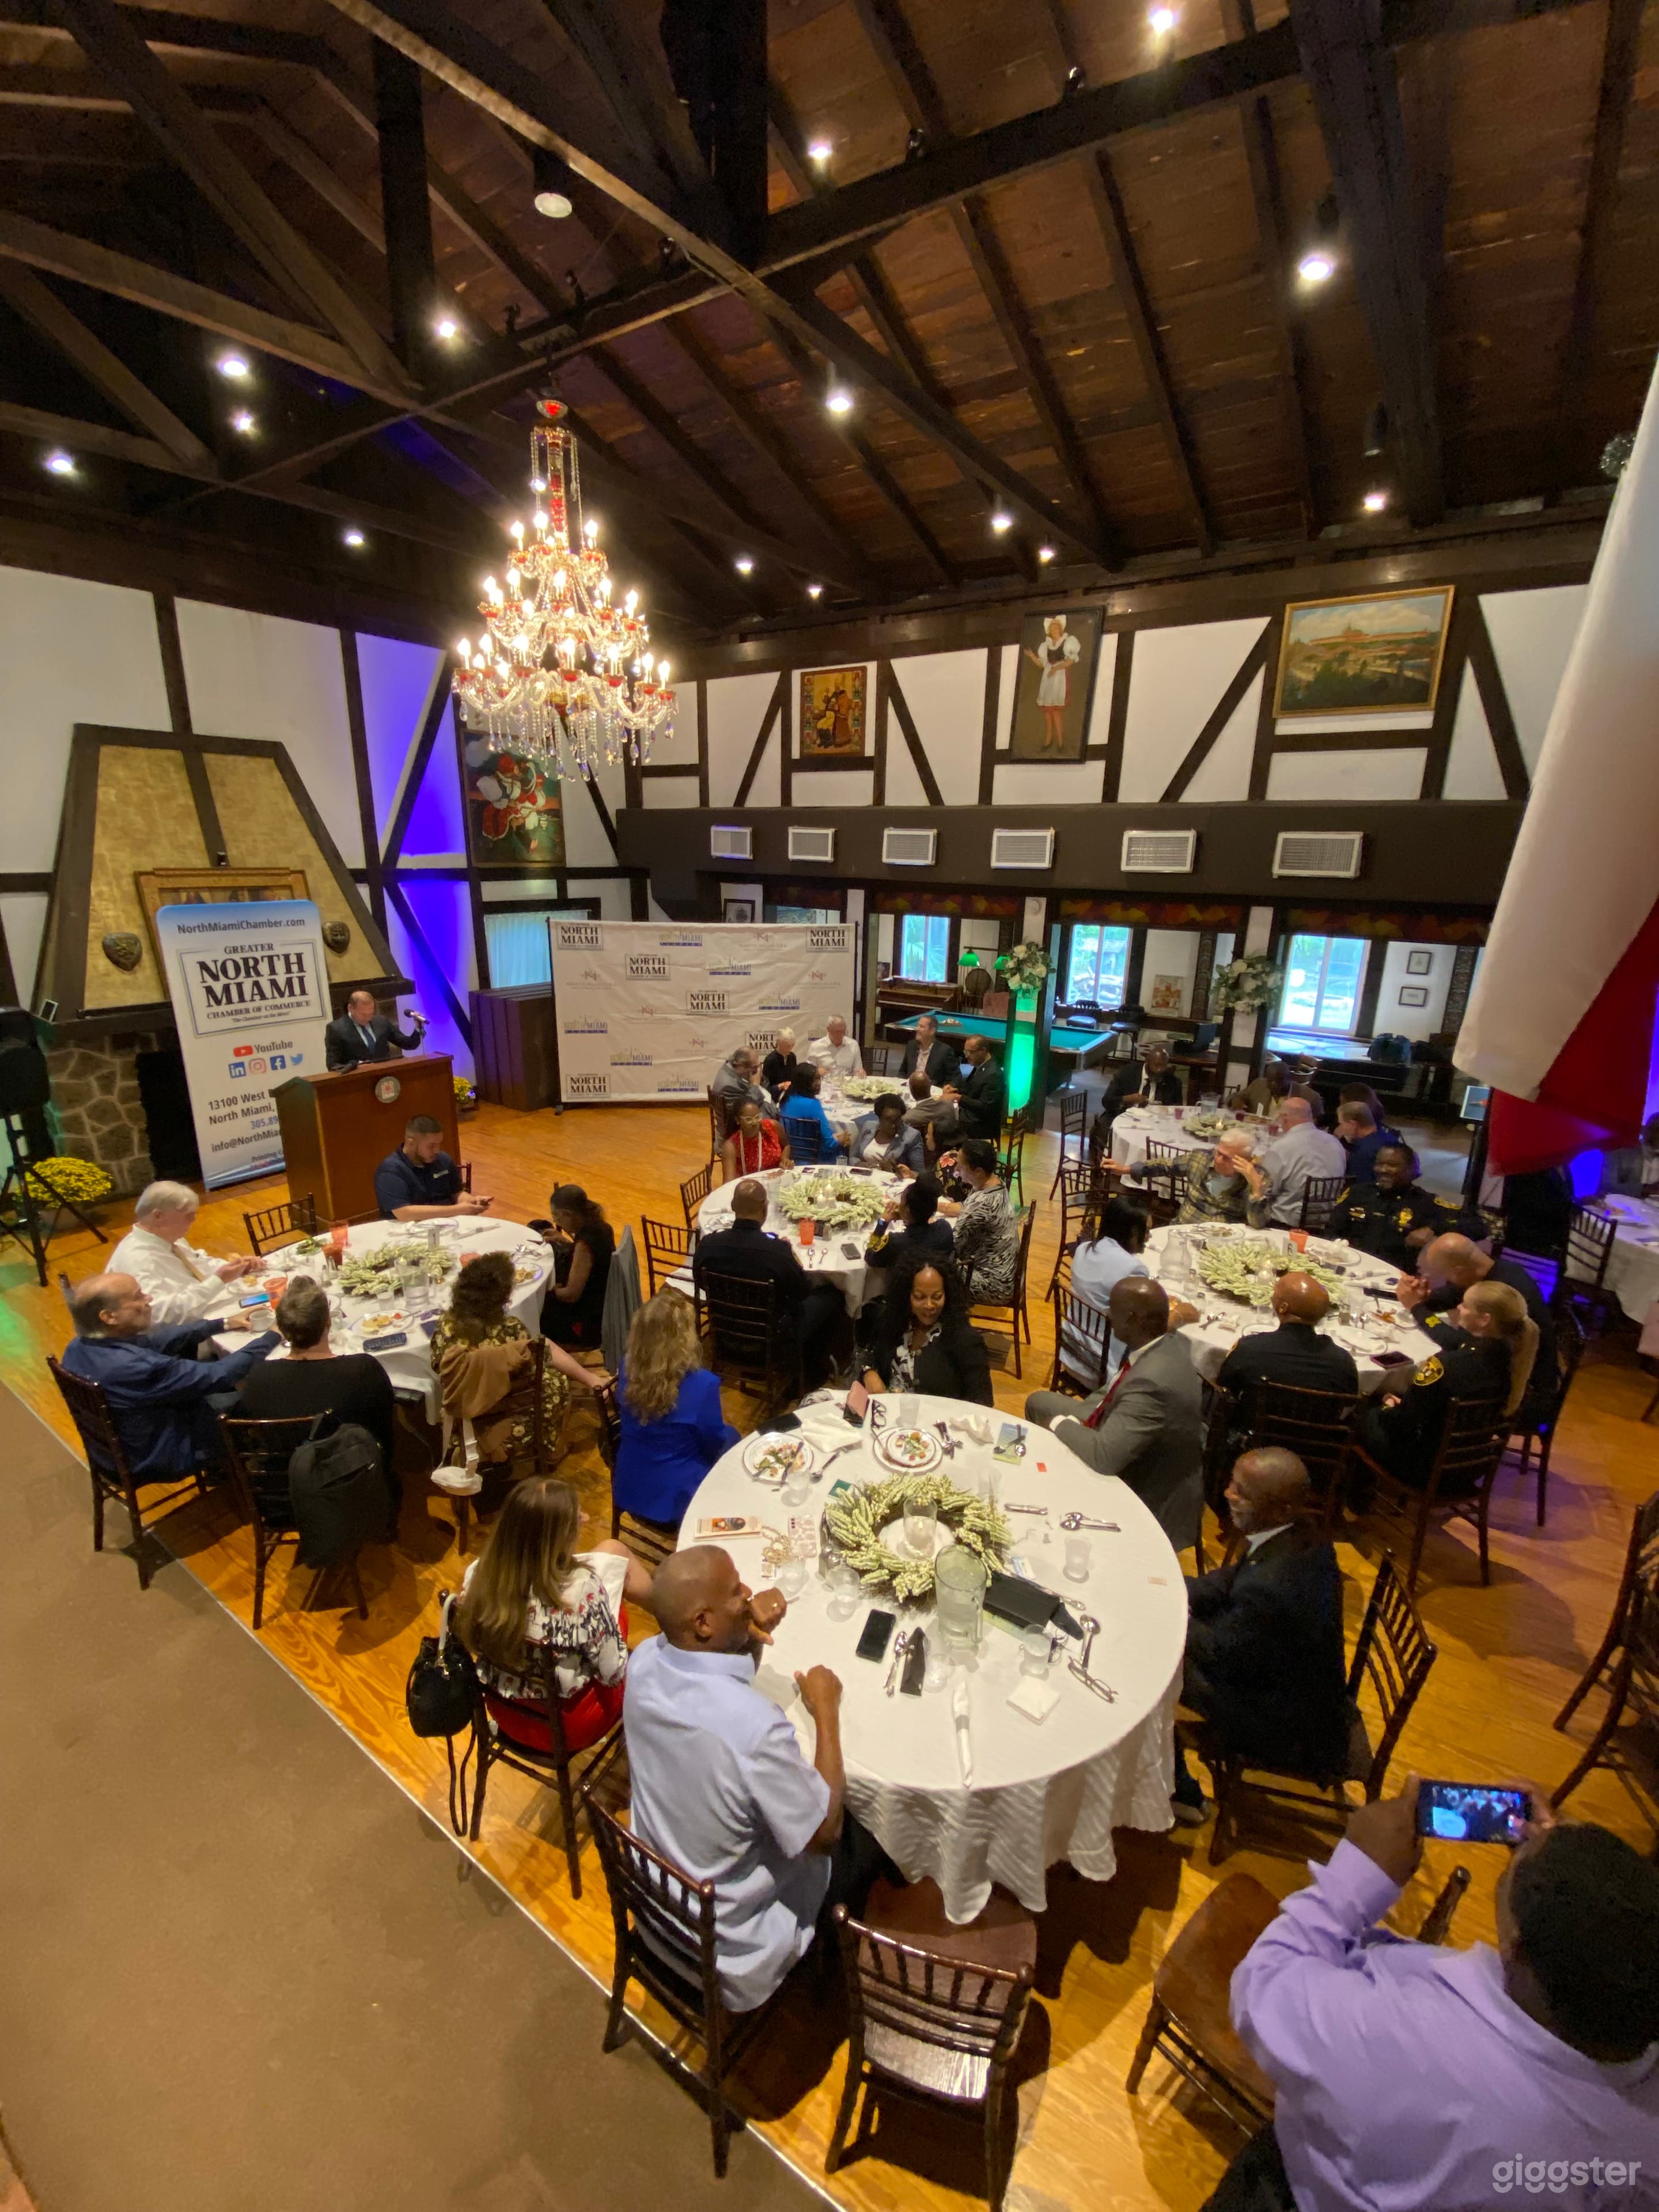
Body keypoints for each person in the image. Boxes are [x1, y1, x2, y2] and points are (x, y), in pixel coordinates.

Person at [1220, 1783, 1659, 2212]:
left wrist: (1352, 1881)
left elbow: (1263, 1984)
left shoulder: (1406, 2038)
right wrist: (1566, 1874)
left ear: (1518, 1952)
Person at [625, 1548, 881, 2013]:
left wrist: (745, 1632)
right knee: (871, 1833)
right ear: (703, 1623)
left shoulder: (643, 1663)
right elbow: (823, 1834)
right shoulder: (753, 1728)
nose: (749, 1595)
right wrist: (826, 1713)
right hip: (731, 1952)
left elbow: (719, 1691)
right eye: (735, 1591)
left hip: (657, 1909)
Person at [1170, 1449, 1349, 1824]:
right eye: (1233, 1483)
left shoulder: (1272, 1587)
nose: (1229, 1495)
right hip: (1287, 1681)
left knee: (1157, 1669)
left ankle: (1178, 1789)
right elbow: (1232, 1579)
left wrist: (1166, 1613)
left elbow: (1220, 1653)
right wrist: (1172, 1589)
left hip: (1286, 1725)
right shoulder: (1301, 1534)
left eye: (1243, 1493)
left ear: (1282, 1509)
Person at [456, 1476, 653, 1755]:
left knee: (611, 1554)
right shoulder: (582, 1591)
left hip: (503, 1713)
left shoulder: (477, 1574)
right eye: (576, 1517)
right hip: (567, 1727)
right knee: (618, 1615)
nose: (585, 1519)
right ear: (554, 1539)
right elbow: (613, 1675)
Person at [1025, 1277, 1204, 1552]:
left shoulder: (1153, 1384)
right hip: (1116, 1421)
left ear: (1132, 1318)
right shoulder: (1164, 1340)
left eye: (1113, 1309)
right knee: (1039, 1402)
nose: (1108, 1314)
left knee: (1050, 1417)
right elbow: (1112, 1391)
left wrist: (1060, 1423)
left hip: (1146, 1486)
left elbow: (1104, 1457)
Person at [60, 1272, 279, 1478]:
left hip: (115, 1450)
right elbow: (219, 1375)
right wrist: (273, 1336)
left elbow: (156, 1341)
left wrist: (223, 1323)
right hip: (161, 1454)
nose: (148, 1299)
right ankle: (268, 1469)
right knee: (263, 1394)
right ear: (109, 1317)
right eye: (138, 1297)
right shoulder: (136, 1367)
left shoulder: (77, 1346)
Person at [430, 1252, 607, 1498]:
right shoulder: (511, 1330)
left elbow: (437, 1367)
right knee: (556, 1383)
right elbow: (540, 1353)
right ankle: (552, 1450)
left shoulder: (444, 1329)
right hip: (506, 1413)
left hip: (463, 1421)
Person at [236, 1278, 399, 1537]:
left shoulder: (257, 1377)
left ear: (282, 1328)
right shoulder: (362, 1370)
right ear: (328, 1321)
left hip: (282, 1495)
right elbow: (386, 1436)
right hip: (350, 1489)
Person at [1355, 1278, 1538, 1491]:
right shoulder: (1512, 1362)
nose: (1459, 1307)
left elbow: (1401, 1424)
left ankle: (1355, 1497)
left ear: (1484, 1320)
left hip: (1425, 1469)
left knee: (1363, 1410)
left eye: (1466, 1305)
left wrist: (1386, 1405)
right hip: (1470, 1467)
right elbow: (1446, 1335)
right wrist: (1417, 1308)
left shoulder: (1445, 1365)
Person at [692, 1179, 844, 1387]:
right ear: (765, 1209)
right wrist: (796, 1262)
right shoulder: (777, 1253)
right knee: (832, 1294)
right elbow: (803, 1293)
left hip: (724, 1329)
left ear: (734, 1207)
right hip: (773, 1339)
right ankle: (813, 1372)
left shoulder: (708, 1245)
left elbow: (700, 1282)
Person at [1397, 1232, 1554, 1429]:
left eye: (1446, 1274)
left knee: (1429, 1392)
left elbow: (1456, 1341)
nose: (1446, 1280)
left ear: (1459, 1270)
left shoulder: (1503, 1292)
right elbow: (1454, 1295)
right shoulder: (1489, 1270)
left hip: (1519, 1396)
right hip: (1503, 1379)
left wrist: (1417, 1308)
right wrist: (1422, 1298)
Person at [613, 1291, 738, 1528]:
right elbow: (713, 1444)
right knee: (735, 1441)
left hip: (630, 1488)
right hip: (676, 1505)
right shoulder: (703, 1384)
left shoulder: (627, 1368)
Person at [109, 1180, 262, 1325]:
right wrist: (218, 1280)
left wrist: (236, 1267)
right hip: (184, 1336)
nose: (194, 1219)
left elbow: (199, 1263)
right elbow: (158, 1315)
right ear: (158, 1216)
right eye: (188, 1215)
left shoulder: (169, 1237)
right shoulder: (138, 1260)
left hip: (206, 1310)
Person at [860, 1250, 993, 1406]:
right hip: (887, 1417)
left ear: (947, 1295)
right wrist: (868, 1372)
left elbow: (983, 1403)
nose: (929, 1305)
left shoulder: (966, 1341)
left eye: (937, 1297)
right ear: (907, 1295)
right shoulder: (893, 1322)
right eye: (920, 1297)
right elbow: (871, 1354)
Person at [1216, 1272, 1359, 1399]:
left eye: (1275, 1292)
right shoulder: (1343, 1363)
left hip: (1250, 1427)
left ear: (1283, 1308)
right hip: (1319, 1430)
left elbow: (1223, 1387)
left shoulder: (1249, 1349)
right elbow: (1350, 1400)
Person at [1064, 1194, 1152, 1384]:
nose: (1149, 1237)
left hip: (1071, 1353)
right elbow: (1144, 1322)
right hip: (1101, 1369)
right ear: (1132, 1233)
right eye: (1146, 1232)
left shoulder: (1083, 1249)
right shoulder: (1133, 1269)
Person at [1327, 1143, 1455, 1271]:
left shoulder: (1424, 1202)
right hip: (1349, 1267)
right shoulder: (1357, 1193)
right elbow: (1332, 1231)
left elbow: (1472, 1223)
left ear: (1411, 1169)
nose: (1383, 1170)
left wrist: (1431, 1229)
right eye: (1380, 1164)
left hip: (1394, 1275)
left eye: (1392, 1165)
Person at [936, 1137, 1018, 1302]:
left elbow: (951, 1245)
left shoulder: (983, 1204)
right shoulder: (995, 1185)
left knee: (928, 1269)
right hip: (1002, 1273)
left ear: (978, 1171)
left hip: (992, 1284)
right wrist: (932, 1205)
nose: (956, 1169)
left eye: (961, 1165)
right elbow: (964, 1208)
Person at [1245, 1097, 1347, 1228]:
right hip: (1325, 1221)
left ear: (1285, 1118)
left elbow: (1265, 1189)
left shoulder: (1282, 1147)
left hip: (1286, 1223)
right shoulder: (1335, 1143)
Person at [1135, 1128, 1260, 1228]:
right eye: (1218, 1152)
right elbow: (1165, 1166)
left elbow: (1257, 1223)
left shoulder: (1257, 1178)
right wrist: (1128, 1169)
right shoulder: (1201, 1159)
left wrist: (1257, 1190)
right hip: (1184, 1230)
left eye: (1226, 1158)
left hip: (1222, 1243)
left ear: (1245, 1161)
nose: (1218, 1159)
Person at [541, 1184, 614, 1350]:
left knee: (540, 1308)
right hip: (602, 1303)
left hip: (587, 1323)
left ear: (568, 1215)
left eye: (557, 1218)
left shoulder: (585, 1244)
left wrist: (546, 1293)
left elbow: (571, 1294)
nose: (556, 1222)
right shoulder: (601, 1227)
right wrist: (564, 1240)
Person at [374, 1116, 487, 1222]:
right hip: (407, 1233)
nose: (437, 1151)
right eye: (432, 1146)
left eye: (439, 1145)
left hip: (449, 1224)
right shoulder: (391, 1171)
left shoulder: (444, 1160)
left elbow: (457, 1193)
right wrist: (459, 1210)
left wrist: (471, 1202)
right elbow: (404, 1213)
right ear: (411, 1144)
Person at [864, 1172, 955, 1274]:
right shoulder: (945, 1229)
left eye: (902, 1200)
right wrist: (906, 1218)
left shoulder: (895, 1242)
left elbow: (870, 1257)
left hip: (903, 1288)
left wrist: (883, 1223)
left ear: (907, 1210)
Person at [325, 987, 426, 1071]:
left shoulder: (381, 1022)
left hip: (386, 1078)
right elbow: (333, 1066)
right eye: (363, 1014)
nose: (368, 1018)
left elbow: (408, 1044)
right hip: (357, 1084)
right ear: (351, 1008)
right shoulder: (336, 1029)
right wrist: (356, 1066)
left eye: (371, 1013)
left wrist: (418, 1028)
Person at [1025, 611, 1081, 753]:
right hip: (1048, 679)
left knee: (1056, 712)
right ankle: (1048, 741)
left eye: (1056, 628)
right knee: (1048, 713)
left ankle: (1061, 743)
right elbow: (1042, 664)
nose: (1054, 630)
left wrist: (1056, 668)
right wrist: (1032, 656)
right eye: (1052, 628)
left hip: (1059, 678)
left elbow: (1070, 661)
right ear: (1049, 631)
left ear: (1061, 629)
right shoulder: (1046, 645)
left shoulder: (1068, 642)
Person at [778, 1062, 849, 1165]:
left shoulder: (785, 1099)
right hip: (815, 1159)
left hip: (790, 1156)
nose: (819, 1083)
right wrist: (841, 1140)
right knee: (847, 1145)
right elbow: (830, 1144)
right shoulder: (813, 1105)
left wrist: (834, 1136)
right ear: (805, 1083)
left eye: (820, 1079)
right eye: (815, 1080)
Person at [1101, 1043, 1184, 1123]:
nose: (1160, 1070)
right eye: (1157, 1065)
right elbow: (1107, 1101)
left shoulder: (1173, 1082)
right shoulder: (1126, 1073)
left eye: (1164, 1066)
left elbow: (1178, 1110)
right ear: (1147, 1061)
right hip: (1126, 1118)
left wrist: (1165, 1109)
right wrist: (1127, 1099)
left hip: (1156, 1122)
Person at [848, 1093, 924, 1176]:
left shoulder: (912, 1136)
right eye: (889, 1119)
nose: (894, 1125)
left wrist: (894, 1170)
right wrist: (859, 1164)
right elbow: (853, 1156)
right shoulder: (869, 1126)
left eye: (898, 1119)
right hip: (864, 1178)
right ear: (880, 1118)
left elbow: (920, 1174)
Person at [947, 1034, 1006, 1142]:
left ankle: (950, 1154)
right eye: (966, 1052)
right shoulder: (981, 1065)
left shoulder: (994, 1074)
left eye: (970, 1052)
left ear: (983, 1051)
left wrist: (960, 1098)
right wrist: (956, 1090)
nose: (967, 1056)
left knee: (942, 1124)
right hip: (973, 1116)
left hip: (983, 1125)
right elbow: (973, 1089)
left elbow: (986, 1107)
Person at [719, 1094, 791, 1182]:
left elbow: (786, 1145)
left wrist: (785, 1159)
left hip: (777, 1182)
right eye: (749, 1119)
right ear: (738, 1120)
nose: (755, 1123)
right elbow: (728, 1184)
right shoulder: (731, 1147)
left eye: (758, 1117)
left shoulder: (773, 1127)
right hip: (750, 1189)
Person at [711, 1047, 778, 1134]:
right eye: (755, 1068)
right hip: (734, 1131)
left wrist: (758, 1077)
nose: (757, 1070)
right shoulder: (729, 1086)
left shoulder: (729, 1067)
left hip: (734, 1124)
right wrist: (755, 1085)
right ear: (742, 1066)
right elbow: (748, 1108)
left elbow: (764, 1084)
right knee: (772, 1121)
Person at [1233, 1059, 1323, 1122]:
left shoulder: (1309, 1097)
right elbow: (1238, 1097)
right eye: (1270, 1081)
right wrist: (1239, 1103)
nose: (1274, 1085)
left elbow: (1315, 1123)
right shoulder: (1259, 1085)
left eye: (1279, 1081)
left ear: (1290, 1079)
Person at [1335, 1100, 1400, 1184]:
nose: (1340, 1128)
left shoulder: (1362, 1152)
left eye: (1341, 1124)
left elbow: (1361, 1188)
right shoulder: (1390, 1138)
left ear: (1353, 1125)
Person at [902, 1067, 961, 1152]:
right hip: (948, 1149)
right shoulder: (949, 1106)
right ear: (930, 1085)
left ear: (911, 1090)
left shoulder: (908, 1117)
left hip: (920, 1152)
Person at [900, 1011, 959, 1090]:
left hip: (931, 1092)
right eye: (918, 1026)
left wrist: (945, 1089)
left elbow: (956, 1077)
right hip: (909, 1088)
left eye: (922, 1027)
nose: (917, 1029)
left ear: (932, 1031)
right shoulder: (911, 1045)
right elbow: (902, 1071)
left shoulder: (945, 1051)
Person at [806, 1015, 861, 1082]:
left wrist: (860, 1073)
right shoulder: (816, 1047)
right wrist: (817, 1072)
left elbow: (858, 1070)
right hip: (823, 1086)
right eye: (836, 1032)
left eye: (842, 1032)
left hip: (847, 1086)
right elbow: (808, 1074)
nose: (840, 1035)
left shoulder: (853, 1045)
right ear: (828, 1030)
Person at [759, 1029, 799, 1099]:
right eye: (788, 1046)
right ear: (779, 1044)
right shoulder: (770, 1060)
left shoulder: (792, 1057)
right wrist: (780, 1086)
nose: (790, 1048)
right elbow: (765, 1088)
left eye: (792, 1045)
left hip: (790, 1096)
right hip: (775, 1097)